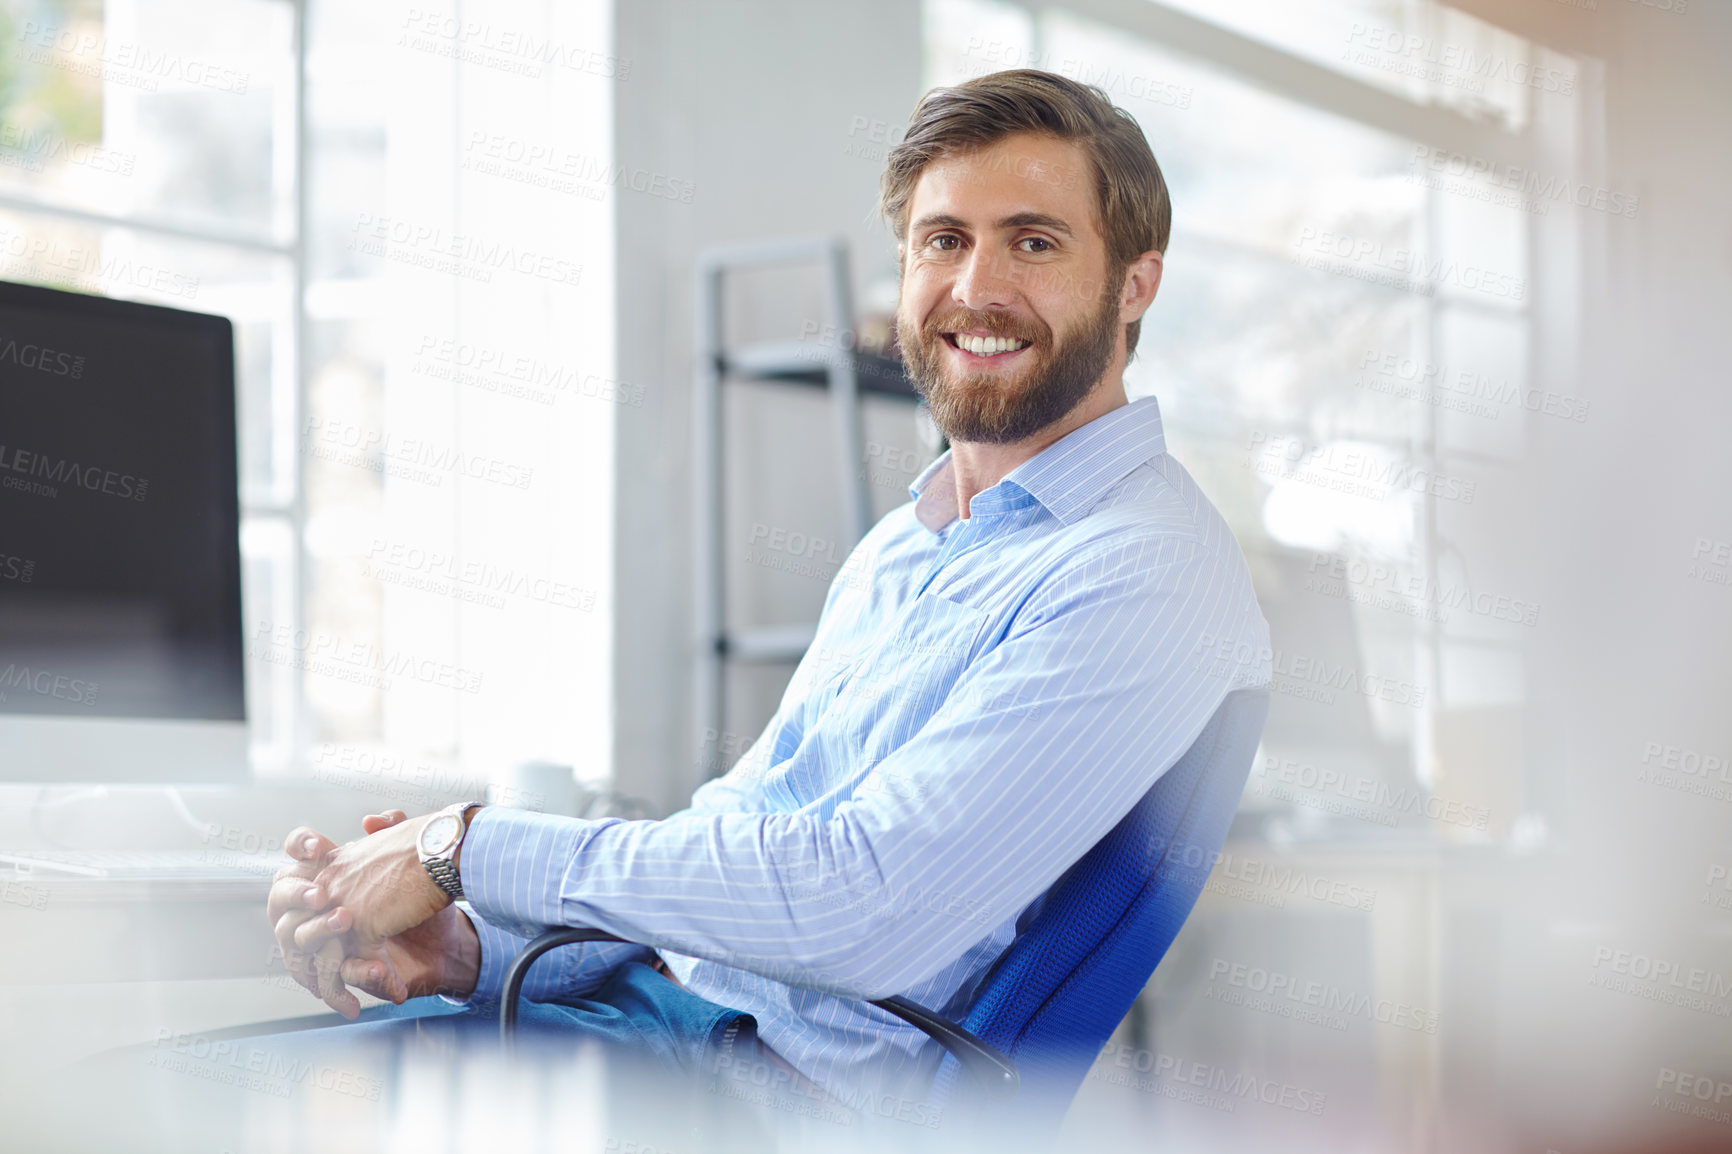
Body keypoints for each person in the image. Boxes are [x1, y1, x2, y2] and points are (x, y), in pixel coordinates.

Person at [267, 66, 1272, 1128]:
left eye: (1033, 240)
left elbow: (858, 905)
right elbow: (742, 844)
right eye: (942, 240)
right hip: (663, 1031)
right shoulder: (906, 547)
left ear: (1133, 284)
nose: (975, 287)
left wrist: (461, 845)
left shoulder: (1145, 566)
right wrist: (470, 947)